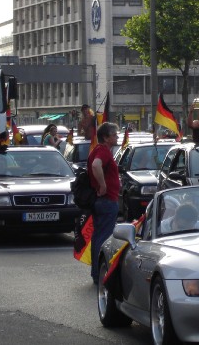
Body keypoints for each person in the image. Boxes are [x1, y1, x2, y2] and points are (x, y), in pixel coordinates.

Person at [88, 122, 120, 285]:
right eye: (114, 134)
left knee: (99, 236)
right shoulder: (103, 151)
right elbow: (96, 165)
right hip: (106, 200)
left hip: (102, 200)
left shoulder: (99, 150)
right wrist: (103, 185)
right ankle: (100, 273)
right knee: (104, 238)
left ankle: (96, 272)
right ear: (106, 137)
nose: (117, 137)